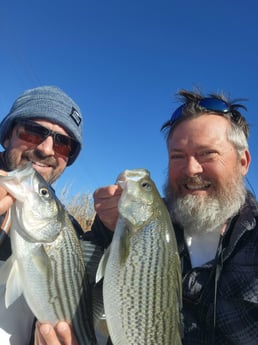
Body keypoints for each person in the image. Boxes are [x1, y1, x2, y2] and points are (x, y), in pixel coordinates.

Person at [88, 89, 258, 344]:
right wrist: (105, 231)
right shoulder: (144, 222)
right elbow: (82, 290)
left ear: (243, 162)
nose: (191, 169)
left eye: (207, 154)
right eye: (177, 156)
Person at [0, 85, 84, 345]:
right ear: (7, 136)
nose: (47, 149)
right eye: (33, 131)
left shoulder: (69, 231)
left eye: (63, 143)